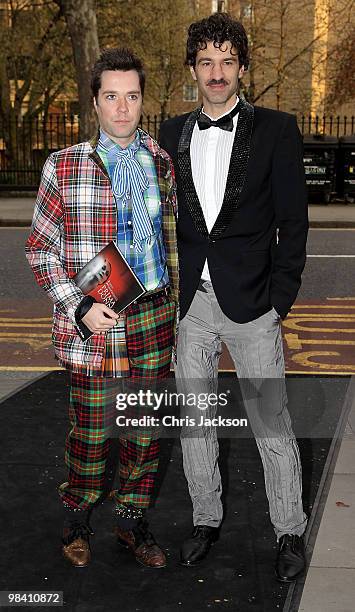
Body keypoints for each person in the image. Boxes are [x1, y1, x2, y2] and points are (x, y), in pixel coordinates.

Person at [159, 12, 308, 582]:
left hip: (253, 306)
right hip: (192, 304)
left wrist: (280, 299)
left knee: (272, 424)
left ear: (242, 67)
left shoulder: (277, 129)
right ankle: (204, 520)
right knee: (196, 424)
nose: (216, 73)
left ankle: (288, 530)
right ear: (193, 71)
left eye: (227, 61)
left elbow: (294, 223)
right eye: (206, 62)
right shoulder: (171, 133)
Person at [26, 47, 178, 569]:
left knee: (145, 432)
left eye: (131, 96)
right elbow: (40, 248)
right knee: (92, 435)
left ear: (142, 101)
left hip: (153, 317)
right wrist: (78, 307)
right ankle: (77, 516)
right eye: (110, 96)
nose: (121, 108)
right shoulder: (64, 165)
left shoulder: (160, 161)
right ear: (94, 102)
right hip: (97, 320)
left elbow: (172, 241)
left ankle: (131, 521)